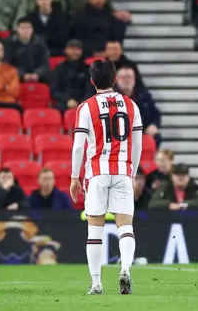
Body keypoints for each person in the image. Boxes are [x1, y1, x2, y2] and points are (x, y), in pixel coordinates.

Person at [69, 60, 143, 295]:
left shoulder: (86, 107)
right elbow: (138, 144)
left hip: (97, 173)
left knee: (95, 230)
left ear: (92, 81)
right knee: (125, 227)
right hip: (122, 171)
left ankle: (97, 283)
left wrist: (74, 177)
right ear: (114, 79)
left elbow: (78, 147)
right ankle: (125, 268)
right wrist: (132, 172)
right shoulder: (130, 104)